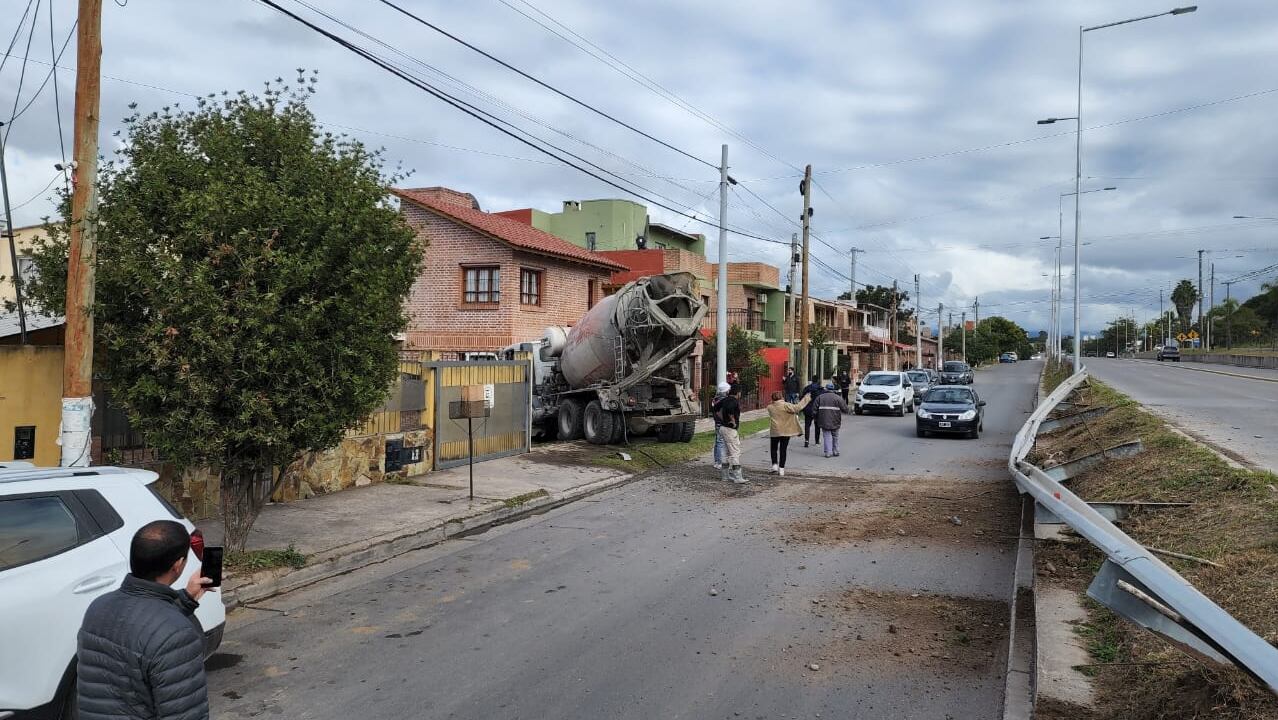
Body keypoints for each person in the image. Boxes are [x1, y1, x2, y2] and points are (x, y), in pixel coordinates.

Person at [77, 520, 213, 720]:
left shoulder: (97, 608)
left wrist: (185, 600)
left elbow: (142, 631)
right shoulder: (177, 635)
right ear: (178, 565)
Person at [766, 390, 810, 476]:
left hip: (775, 431)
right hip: (786, 431)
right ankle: (781, 469)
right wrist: (806, 398)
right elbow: (797, 407)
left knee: (773, 448)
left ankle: (774, 465)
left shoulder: (770, 407)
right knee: (783, 450)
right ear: (781, 397)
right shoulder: (786, 405)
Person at [715, 384, 744, 483]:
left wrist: (721, 418)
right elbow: (730, 410)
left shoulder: (725, 399)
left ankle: (725, 476)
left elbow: (716, 408)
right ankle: (738, 477)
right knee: (735, 452)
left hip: (722, 428)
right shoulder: (733, 401)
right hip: (730, 429)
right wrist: (732, 420)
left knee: (725, 452)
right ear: (738, 393)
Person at [815, 382, 849, 458]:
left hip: (824, 420)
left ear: (826, 389)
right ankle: (835, 451)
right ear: (833, 389)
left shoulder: (820, 397)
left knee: (826, 436)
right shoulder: (838, 398)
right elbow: (845, 409)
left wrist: (816, 418)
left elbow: (814, 410)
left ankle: (827, 453)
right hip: (835, 420)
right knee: (835, 436)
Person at [710, 382, 730, 470]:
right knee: (721, 442)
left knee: (718, 442)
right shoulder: (725, 400)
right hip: (722, 422)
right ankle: (719, 462)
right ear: (726, 391)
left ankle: (716, 461)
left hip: (717, 422)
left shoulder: (715, 399)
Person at [801, 374, 823, 448]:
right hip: (817, 409)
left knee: (807, 425)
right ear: (818, 381)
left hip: (808, 408)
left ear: (811, 380)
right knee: (817, 425)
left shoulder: (807, 388)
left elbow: (802, 397)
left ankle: (806, 441)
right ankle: (817, 441)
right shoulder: (820, 389)